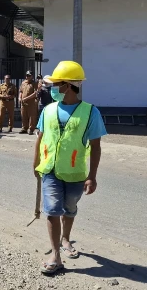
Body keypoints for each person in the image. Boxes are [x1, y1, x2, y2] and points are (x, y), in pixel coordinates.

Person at [32, 61, 107, 275]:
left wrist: (92, 176)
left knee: (69, 208)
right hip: (50, 171)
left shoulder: (90, 112)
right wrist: (35, 162)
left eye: (56, 84)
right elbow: (40, 138)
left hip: (75, 174)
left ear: (68, 85)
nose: (52, 88)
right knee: (52, 210)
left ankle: (66, 238)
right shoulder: (47, 110)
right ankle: (55, 255)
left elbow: (96, 146)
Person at [19, 70, 40, 135]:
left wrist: (26, 98)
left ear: (32, 76)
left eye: (29, 75)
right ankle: (24, 128)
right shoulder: (23, 83)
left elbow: (35, 93)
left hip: (31, 103)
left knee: (32, 116)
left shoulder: (34, 83)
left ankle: (31, 129)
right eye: (27, 75)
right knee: (23, 115)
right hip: (23, 103)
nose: (27, 77)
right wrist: (20, 98)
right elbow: (21, 91)